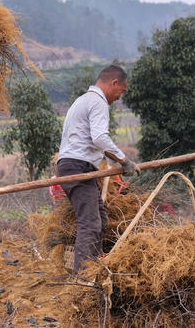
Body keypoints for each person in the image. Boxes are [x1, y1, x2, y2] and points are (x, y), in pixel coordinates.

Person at [56, 65, 140, 275]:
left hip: (72, 165)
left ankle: (93, 268)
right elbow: (100, 138)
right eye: (121, 91)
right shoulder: (98, 102)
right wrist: (124, 160)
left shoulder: (83, 100)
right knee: (91, 224)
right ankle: (83, 277)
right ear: (113, 83)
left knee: (99, 220)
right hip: (78, 167)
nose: (119, 97)